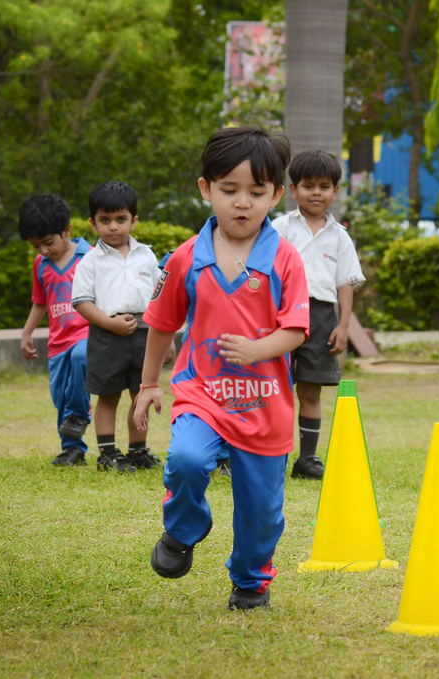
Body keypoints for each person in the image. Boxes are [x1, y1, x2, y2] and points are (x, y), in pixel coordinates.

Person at [133, 126, 309, 610]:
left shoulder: (286, 259)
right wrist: (150, 383)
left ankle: (250, 585)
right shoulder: (187, 257)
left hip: (265, 407)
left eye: (256, 192)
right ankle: (182, 532)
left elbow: (296, 330)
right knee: (187, 460)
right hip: (202, 393)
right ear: (206, 189)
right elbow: (162, 322)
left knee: (262, 513)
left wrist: (258, 349)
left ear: (275, 194)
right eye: (229, 190)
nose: (242, 203)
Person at [272, 149, 365, 480]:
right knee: (272, 386)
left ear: (335, 192)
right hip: (280, 314)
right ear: (293, 189)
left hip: (322, 317)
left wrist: (342, 325)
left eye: (324, 186)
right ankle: (270, 456)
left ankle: (307, 459)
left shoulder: (340, 237)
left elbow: (345, 285)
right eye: (308, 185)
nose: (316, 193)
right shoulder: (279, 228)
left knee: (311, 390)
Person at [72, 181, 163, 473]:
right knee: (108, 395)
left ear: (133, 221)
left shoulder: (147, 256)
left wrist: (167, 339)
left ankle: (138, 450)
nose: (113, 227)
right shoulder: (90, 260)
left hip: (144, 333)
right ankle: (108, 453)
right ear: (93, 223)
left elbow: (158, 298)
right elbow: (82, 302)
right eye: (105, 220)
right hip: (106, 335)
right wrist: (110, 324)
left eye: (121, 219)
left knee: (141, 395)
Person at [18, 194, 93, 467]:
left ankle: (79, 413)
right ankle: (73, 451)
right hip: (57, 343)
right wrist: (27, 333)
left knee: (81, 358)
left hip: (87, 334)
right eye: (36, 246)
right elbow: (40, 302)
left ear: (67, 230)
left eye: (48, 242)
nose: (43, 250)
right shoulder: (41, 265)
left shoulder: (91, 257)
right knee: (59, 397)